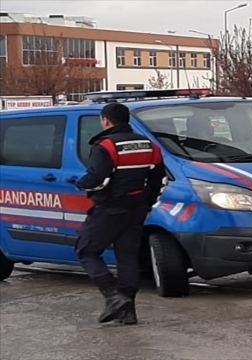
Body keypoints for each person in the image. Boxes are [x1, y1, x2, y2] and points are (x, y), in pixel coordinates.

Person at [75, 102, 165, 325]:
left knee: (86, 250)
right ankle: (128, 311)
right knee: (127, 257)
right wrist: (147, 205)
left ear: (105, 120)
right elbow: (158, 180)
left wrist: (80, 183)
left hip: (110, 208)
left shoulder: (105, 146)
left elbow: (98, 180)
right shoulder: (149, 145)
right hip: (137, 209)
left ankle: (112, 296)